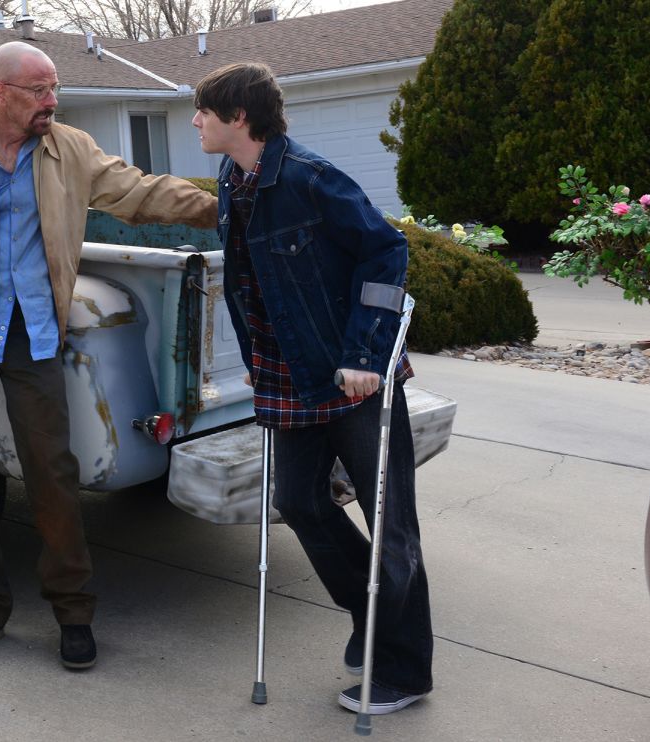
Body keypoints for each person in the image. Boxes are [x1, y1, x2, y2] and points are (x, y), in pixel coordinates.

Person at [0, 41, 217, 670]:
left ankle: (73, 611)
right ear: (2, 92)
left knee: (53, 476)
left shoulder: (71, 149)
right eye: (40, 90)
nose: (52, 101)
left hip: (35, 334)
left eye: (55, 89)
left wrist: (223, 205)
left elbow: (140, 193)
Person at [192, 62, 433, 714]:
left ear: (238, 117)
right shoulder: (233, 180)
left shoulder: (310, 177)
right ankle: (368, 609)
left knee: (391, 527)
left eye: (204, 112)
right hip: (286, 376)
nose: (195, 122)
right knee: (298, 500)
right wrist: (255, 353)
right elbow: (251, 281)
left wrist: (365, 354)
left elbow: (387, 252)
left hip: (352, 379)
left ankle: (404, 672)